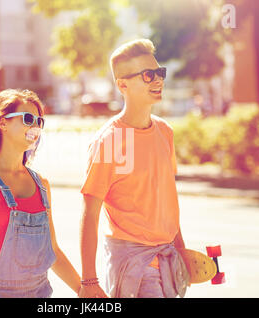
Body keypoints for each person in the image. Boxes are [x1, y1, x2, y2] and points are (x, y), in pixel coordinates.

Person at [78, 39, 190, 298]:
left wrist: (182, 250)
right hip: (134, 267)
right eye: (148, 75)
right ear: (123, 85)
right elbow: (90, 214)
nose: (157, 81)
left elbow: (166, 198)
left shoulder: (164, 132)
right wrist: (89, 280)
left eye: (159, 73)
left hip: (167, 260)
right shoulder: (110, 140)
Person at [0, 89, 81, 298]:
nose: (35, 127)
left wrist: (83, 289)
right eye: (28, 119)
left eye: (39, 121)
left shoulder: (42, 184)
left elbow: (52, 251)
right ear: (2, 123)